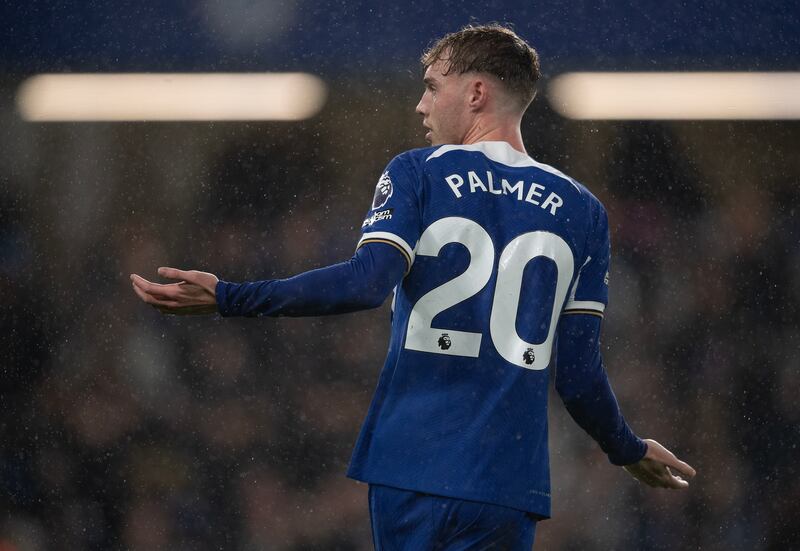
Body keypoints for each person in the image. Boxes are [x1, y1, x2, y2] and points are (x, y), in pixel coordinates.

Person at [131, 24, 696, 550]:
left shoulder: (418, 172)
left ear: (475, 93)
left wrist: (231, 296)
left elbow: (364, 284)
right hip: (506, 480)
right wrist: (627, 449)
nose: (421, 105)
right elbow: (576, 375)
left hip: (412, 465)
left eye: (432, 87)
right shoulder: (583, 211)